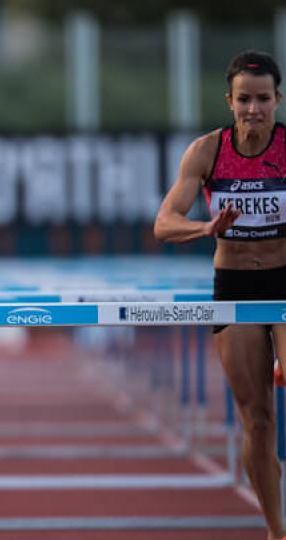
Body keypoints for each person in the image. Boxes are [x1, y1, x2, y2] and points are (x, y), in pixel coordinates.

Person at [154, 50, 286, 540]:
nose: (255, 110)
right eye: (245, 100)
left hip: (284, 280)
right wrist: (207, 226)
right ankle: (276, 531)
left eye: (264, 99)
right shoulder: (207, 152)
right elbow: (163, 224)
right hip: (234, 287)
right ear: (229, 101)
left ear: (278, 99)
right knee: (257, 418)